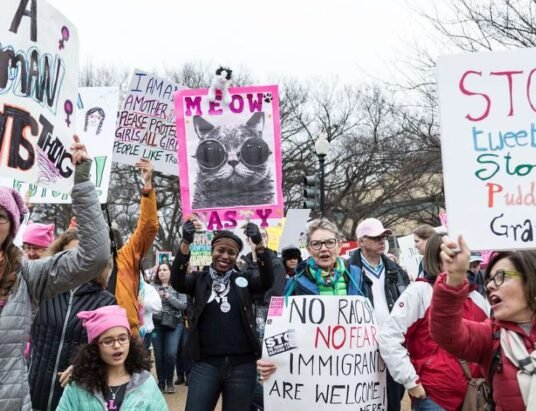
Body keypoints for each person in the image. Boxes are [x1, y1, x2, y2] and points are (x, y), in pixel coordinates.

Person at [0, 135, 111, 410]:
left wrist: (83, 182)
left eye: (0, 216)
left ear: (11, 226)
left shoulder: (27, 276)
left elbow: (94, 256)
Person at [378, 234, 490, 410]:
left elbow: (488, 344)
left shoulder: (477, 298)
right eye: (450, 259)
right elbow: (388, 336)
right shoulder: (419, 292)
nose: (458, 264)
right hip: (434, 397)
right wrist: (410, 381)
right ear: (437, 260)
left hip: (472, 395)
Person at [171, 220, 274, 411]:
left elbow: (267, 280)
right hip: (205, 364)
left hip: (242, 367)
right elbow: (177, 282)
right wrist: (186, 243)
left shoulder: (244, 279)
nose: (225, 256)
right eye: (221, 250)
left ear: (236, 256)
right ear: (212, 251)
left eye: (231, 253)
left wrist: (259, 245)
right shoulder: (198, 280)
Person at [430, 237, 536, 411]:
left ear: (530, 278)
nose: (490, 286)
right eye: (489, 279)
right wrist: (454, 279)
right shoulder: (491, 336)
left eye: (501, 277)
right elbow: (446, 330)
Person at [29, 229, 116, 411]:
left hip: (75, 396)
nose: (77, 260)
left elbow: (113, 351)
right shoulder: (41, 290)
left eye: (84, 255)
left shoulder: (106, 301)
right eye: (70, 254)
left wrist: (85, 366)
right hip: (33, 392)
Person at [349, 217, 410, 411]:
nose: (381, 240)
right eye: (375, 237)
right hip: (363, 348)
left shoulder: (396, 270)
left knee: (394, 397)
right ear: (361, 242)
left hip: (393, 345)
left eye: (383, 236)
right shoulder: (348, 271)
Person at [56, 305, 166, 410]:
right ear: (95, 346)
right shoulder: (78, 386)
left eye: (122, 339)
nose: (117, 345)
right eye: (108, 341)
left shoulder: (145, 383)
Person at [109, 158, 159, 337]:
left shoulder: (126, 257)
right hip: (94, 336)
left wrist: (147, 185)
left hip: (128, 334)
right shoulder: (83, 264)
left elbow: (148, 227)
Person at [151, 261, 187, 393]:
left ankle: (170, 381)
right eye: (160, 270)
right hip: (157, 325)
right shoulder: (152, 286)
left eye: (165, 270)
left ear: (171, 271)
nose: (162, 272)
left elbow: (183, 305)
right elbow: (148, 304)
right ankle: (161, 383)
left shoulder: (178, 286)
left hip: (174, 324)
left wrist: (168, 296)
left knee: (171, 354)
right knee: (159, 355)